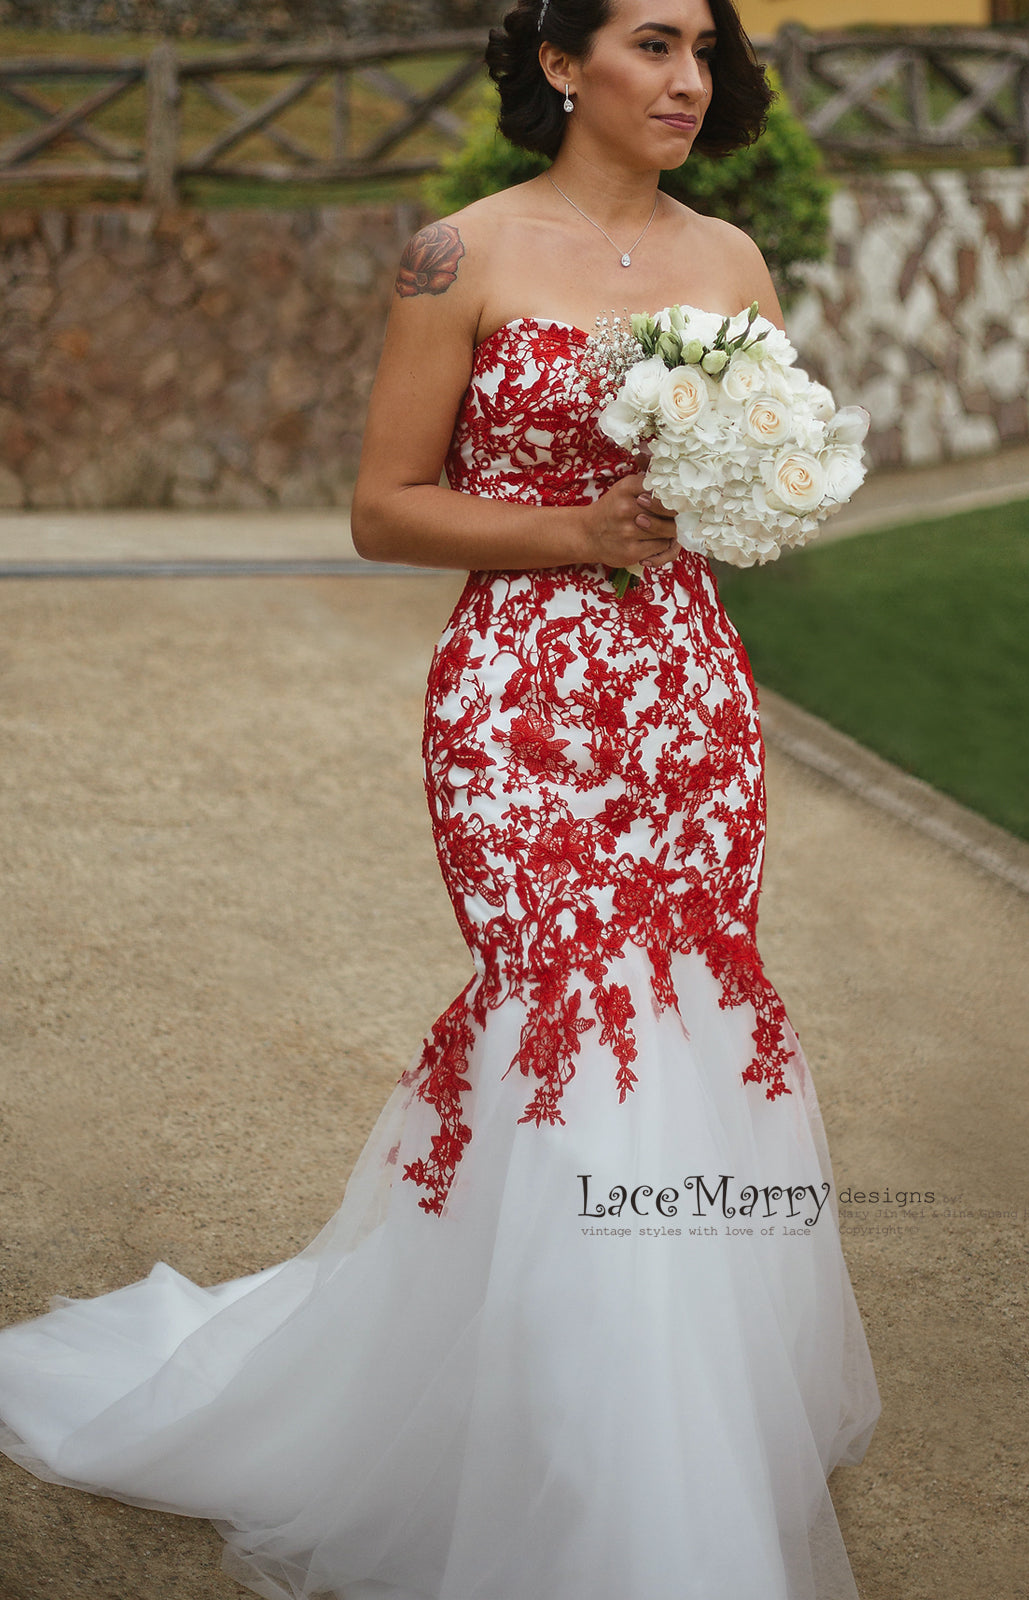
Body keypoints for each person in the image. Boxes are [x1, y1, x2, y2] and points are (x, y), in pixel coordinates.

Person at [0, 0, 882, 1594]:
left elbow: (751, 484)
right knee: (572, 1018)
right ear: (561, 64)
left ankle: (670, 1417)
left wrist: (747, 495)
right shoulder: (455, 254)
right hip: (517, 698)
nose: (688, 80)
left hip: (686, 699)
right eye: (654, 44)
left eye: (704, 53)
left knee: (688, 1006)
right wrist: (576, 535)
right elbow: (382, 510)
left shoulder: (735, 262)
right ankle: (612, 1491)